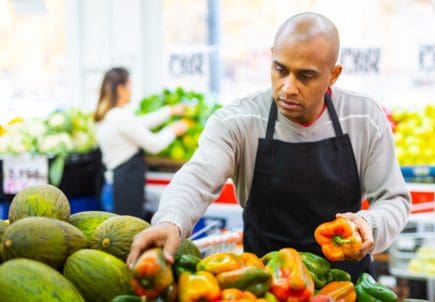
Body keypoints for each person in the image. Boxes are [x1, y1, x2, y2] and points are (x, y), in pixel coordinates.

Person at [127, 13, 411, 281]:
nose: (288, 87)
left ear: (333, 74)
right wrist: (170, 221)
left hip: (347, 286)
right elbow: (197, 177)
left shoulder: (364, 117)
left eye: (305, 76)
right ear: (271, 56)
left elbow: (394, 199)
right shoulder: (239, 121)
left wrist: (368, 224)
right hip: (266, 284)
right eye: (280, 69)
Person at [94, 67, 189, 219]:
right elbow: (153, 144)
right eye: (130, 85)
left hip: (116, 186)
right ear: (120, 89)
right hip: (122, 190)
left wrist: (169, 111)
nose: (132, 90)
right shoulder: (118, 116)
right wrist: (173, 130)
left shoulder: (110, 114)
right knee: (127, 238)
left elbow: (140, 123)